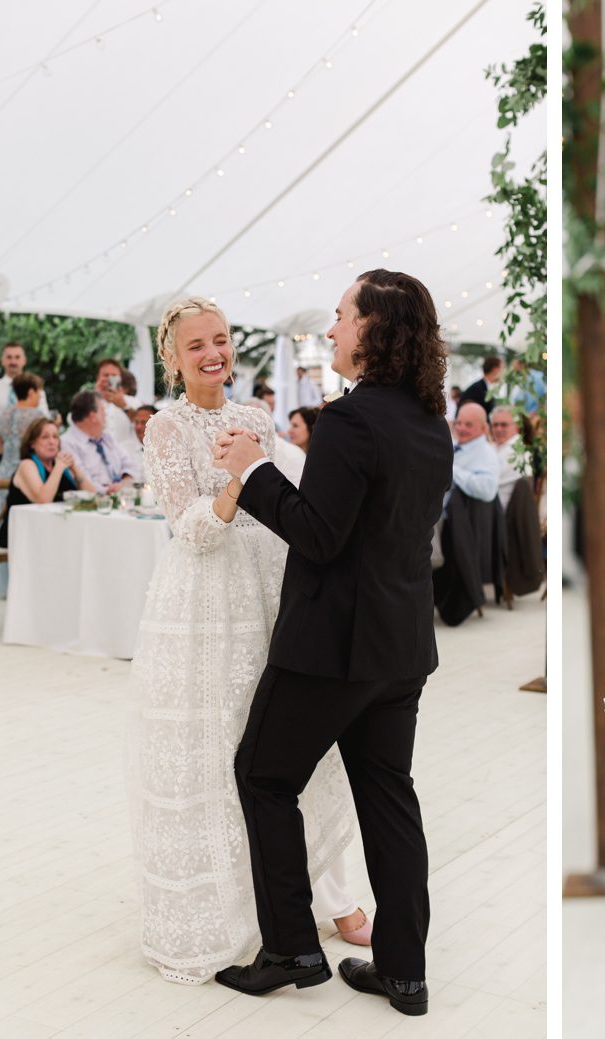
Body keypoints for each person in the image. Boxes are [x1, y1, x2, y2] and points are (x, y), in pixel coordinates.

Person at [211, 269, 452, 1014]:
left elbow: (319, 534)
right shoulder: (427, 421)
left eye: (344, 316)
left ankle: (291, 948)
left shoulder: (350, 420)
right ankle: (404, 973)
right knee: (389, 800)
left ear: (376, 330)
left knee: (262, 773)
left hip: (330, 650)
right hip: (400, 648)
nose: (334, 328)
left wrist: (250, 468)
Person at [125, 297, 368, 986]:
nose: (213, 353)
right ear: (173, 357)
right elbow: (191, 528)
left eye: (222, 339)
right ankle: (223, 910)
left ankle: (327, 895)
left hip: (265, 595)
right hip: (202, 606)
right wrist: (240, 477)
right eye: (197, 343)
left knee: (282, 744)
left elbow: (288, 498)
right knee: (212, 750)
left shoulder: (255, 416)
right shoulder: (165, 427)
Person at [0, 417, 94, 548]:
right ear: (32, 443)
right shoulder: (27, 465)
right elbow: (43, 499)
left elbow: (92, 497)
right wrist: (59, 468)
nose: (52, 442)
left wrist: (75, 469)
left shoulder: (60, 467)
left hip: (55, 530)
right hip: (22, 534)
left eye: (55, 437)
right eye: (45, 437)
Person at [61, 390, 138, 493]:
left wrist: (124, 482)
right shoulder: (67, 443)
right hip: (92, 503)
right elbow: (81, 478)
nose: (105, 414)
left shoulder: (107, 437)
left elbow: (130, 464)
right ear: (93, 416)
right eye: (103, 410)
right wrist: (107, 490)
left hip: (121, 497)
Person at [450, 401, 499, 505]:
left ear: (484, 428)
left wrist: (451, 470)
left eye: (468, 425)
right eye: (458, 423)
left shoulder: (487, 453)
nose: (461, 428)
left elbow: (488, 490)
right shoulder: (452, 444)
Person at [489, 405, 523, 510]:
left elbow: (487, 482)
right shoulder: (497, 446)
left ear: (516, 427)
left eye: (504, 425)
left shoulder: (516, 450)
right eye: (495, 425)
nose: (498, 429)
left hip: (502, 514)